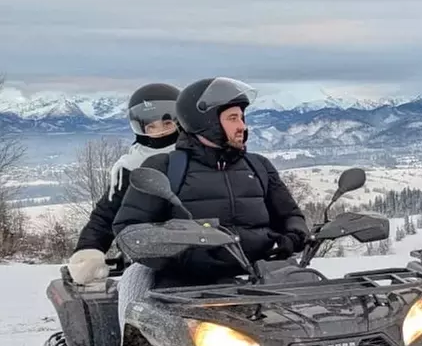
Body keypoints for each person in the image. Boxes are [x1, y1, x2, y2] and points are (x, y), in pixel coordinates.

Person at [112, 77, 311, 286]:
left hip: (263, 285)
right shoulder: (165, 167)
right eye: (233, 118)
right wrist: (185, 255)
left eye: (241, 118)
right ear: (206, 122)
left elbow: (291, 216)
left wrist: (292, 238)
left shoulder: (259, 166)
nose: (242, 126)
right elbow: (130, 232)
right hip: (188, 291)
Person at [65, 83, 181, 285]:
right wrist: (89, 249)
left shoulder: (197, 160)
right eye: (151, 127)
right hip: (146, 259)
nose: (160, 132)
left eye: (167, 123)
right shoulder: (129, 168)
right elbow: (106, 214)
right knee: (134, 290)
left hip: (202, 253)